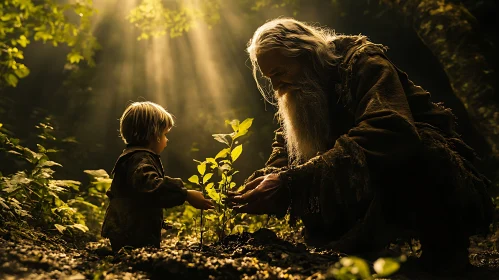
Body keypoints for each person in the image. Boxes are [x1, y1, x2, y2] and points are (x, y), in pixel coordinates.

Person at [229, 18, 494, 272]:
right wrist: (269, 179)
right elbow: (286, 148)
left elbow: (390, 129)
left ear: (306, 54)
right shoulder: (300, 89)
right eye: (269, 77)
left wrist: (291, 180)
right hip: (365, 182)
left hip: (423, 173)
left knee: (425, 149)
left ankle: (444, 252)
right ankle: (354, 243)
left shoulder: (363, 62)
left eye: (279, 72)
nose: (276, 85)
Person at [102, 101, 214, 252]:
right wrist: (185, 194)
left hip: (126, 228)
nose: (167, 140)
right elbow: (151, 187)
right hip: (130, 232)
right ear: (154, 135)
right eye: (165, 134)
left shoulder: (133, 157)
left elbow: (142, 198)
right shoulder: (140, 159)